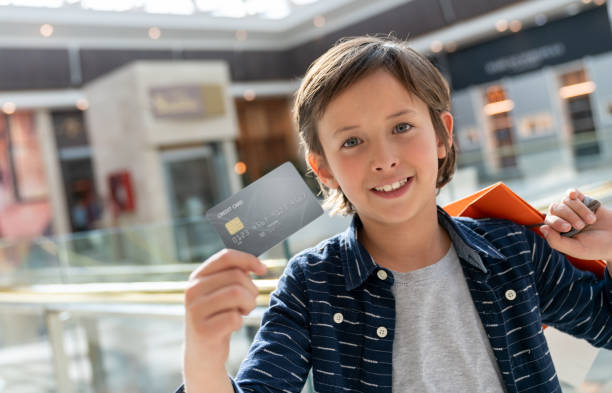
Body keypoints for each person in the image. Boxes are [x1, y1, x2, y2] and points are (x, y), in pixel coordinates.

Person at [177, 36, 612, 393]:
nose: (384, 159)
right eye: (351, 141)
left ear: (443, 136)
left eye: (402, 127)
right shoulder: (311, 285)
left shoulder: (516, 250)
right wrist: (202, 363)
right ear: (323, 169)